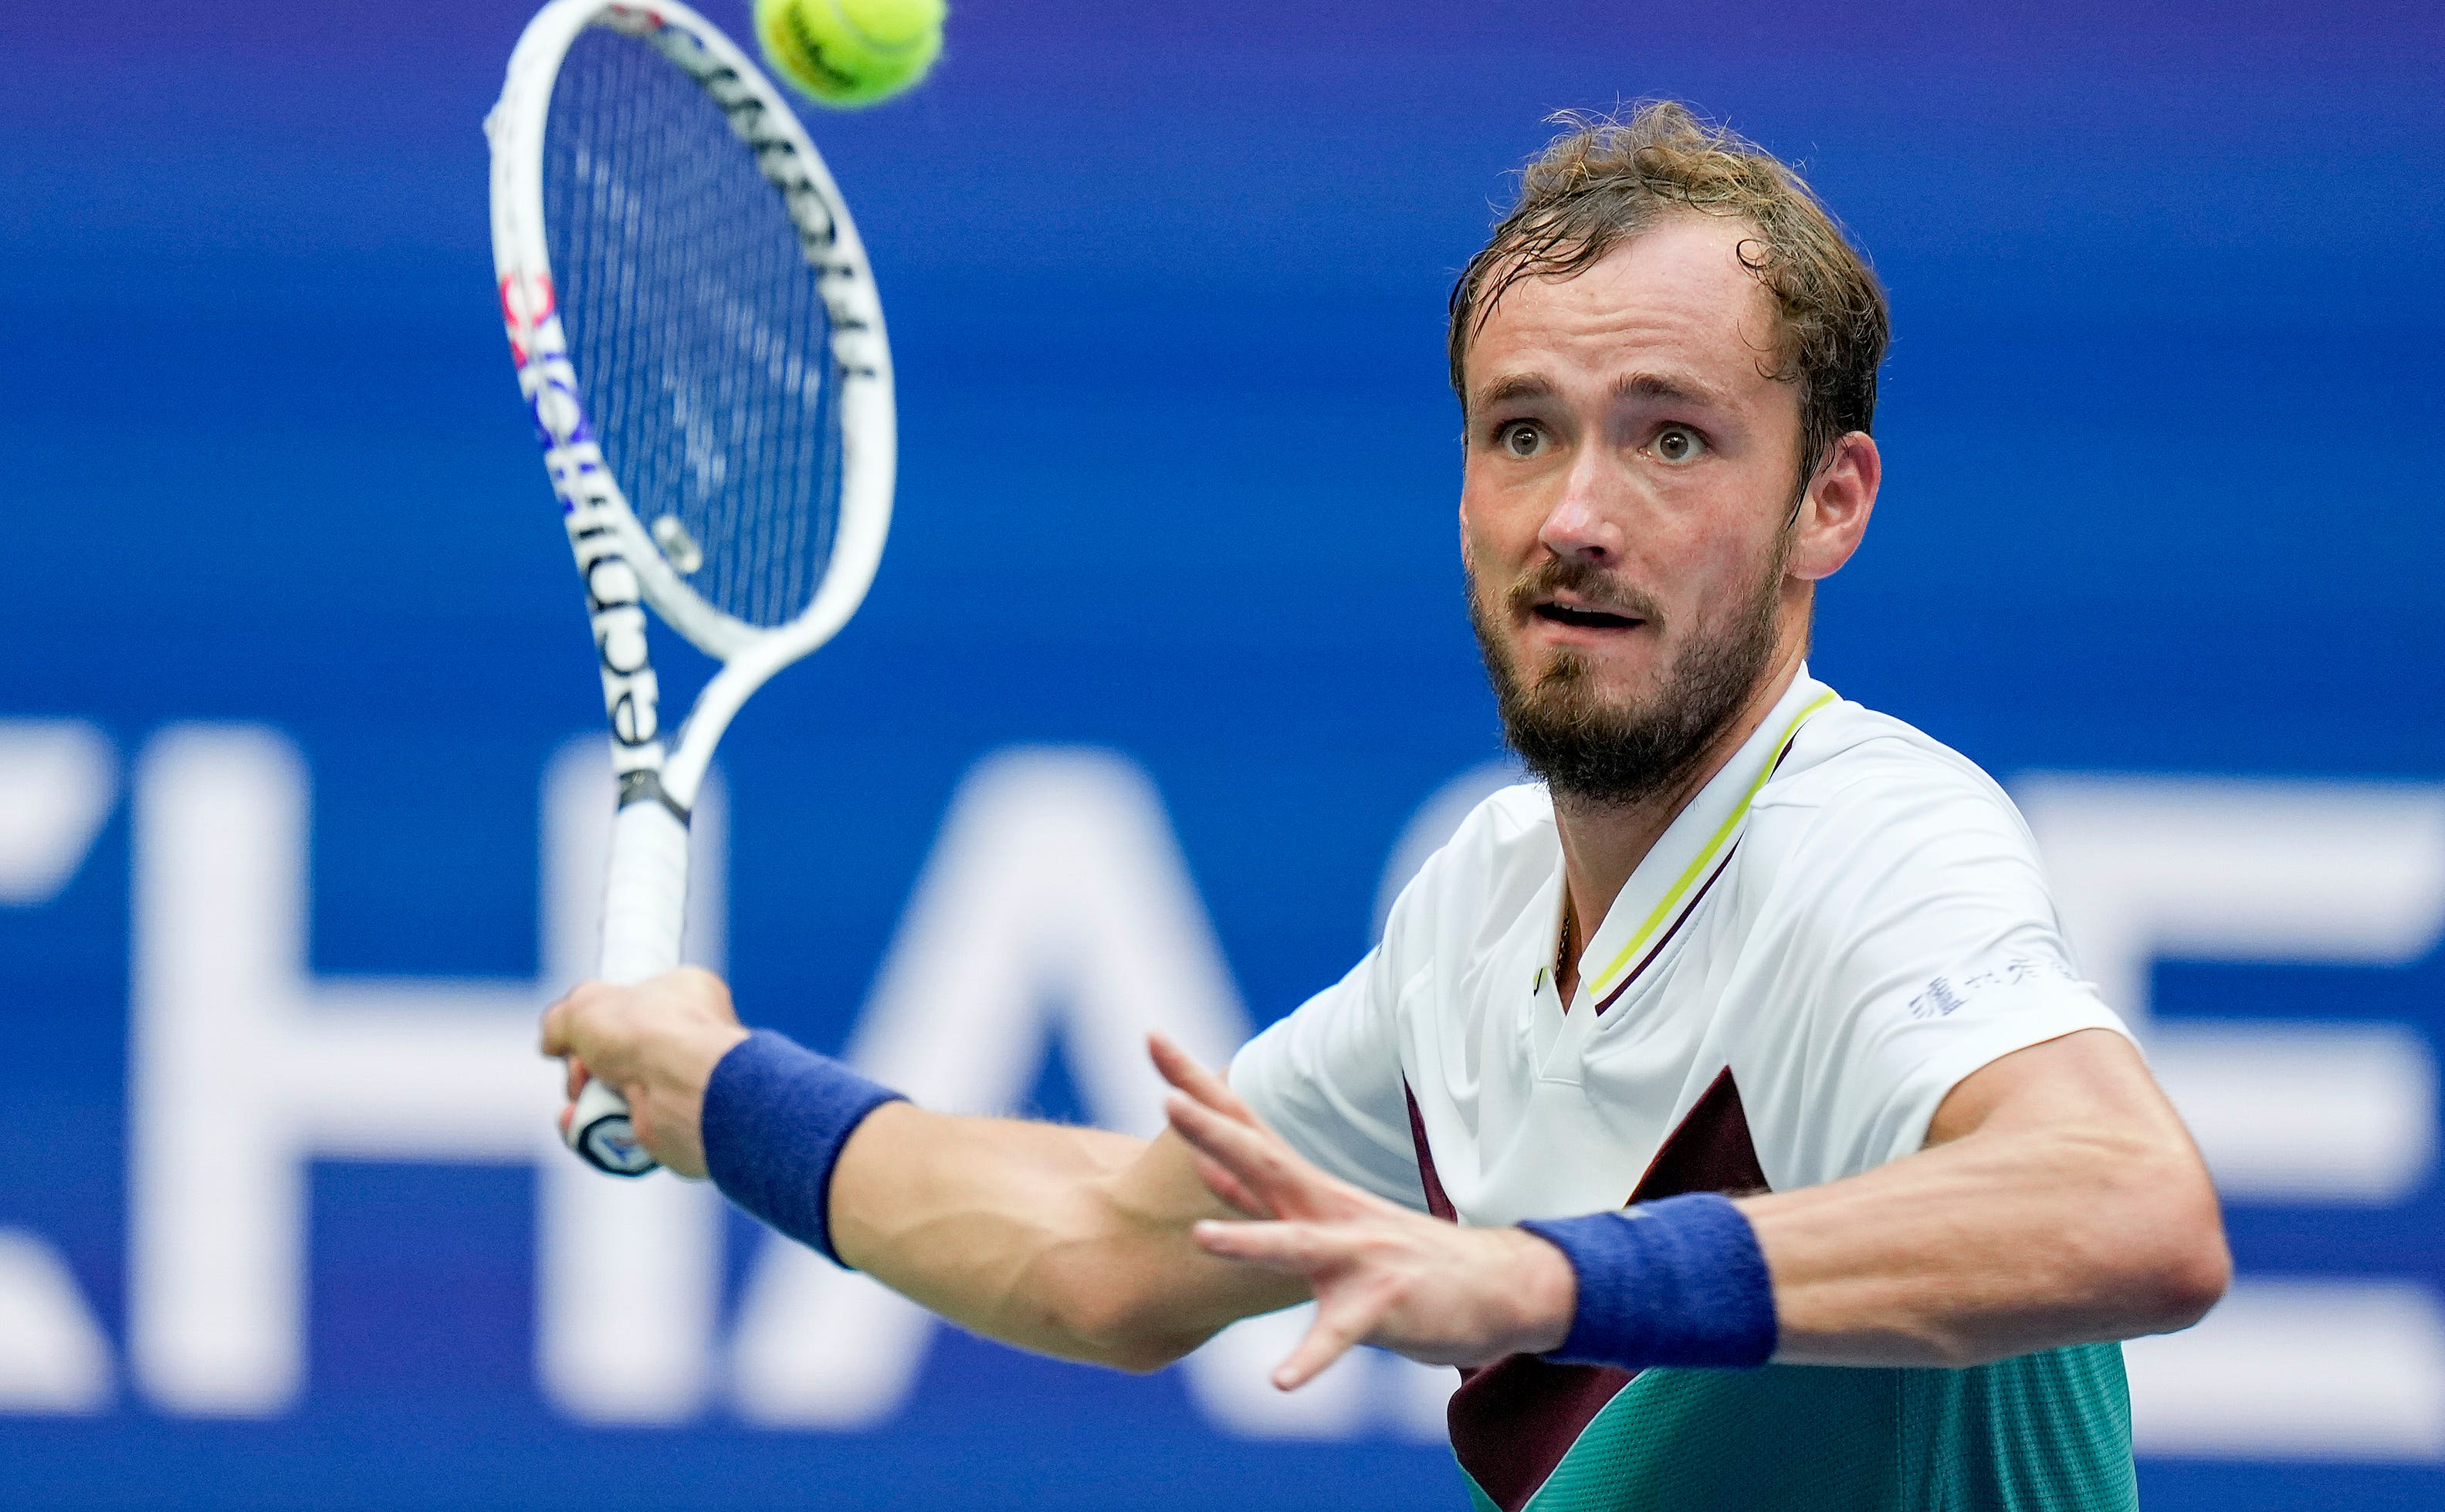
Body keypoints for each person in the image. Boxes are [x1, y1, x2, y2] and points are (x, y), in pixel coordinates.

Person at [542, 100, 2227, 1510]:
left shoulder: (1865, 838)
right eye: (1521, 432)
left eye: (1673, 442)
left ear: (1829, 502)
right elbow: (1110, 1256)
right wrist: (720, 1098)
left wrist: (1545, 1280)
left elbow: (2133, 1207)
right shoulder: (1479, 916)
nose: (1575, 513)